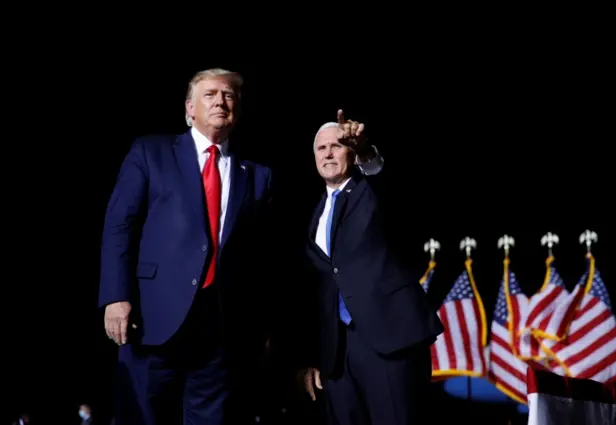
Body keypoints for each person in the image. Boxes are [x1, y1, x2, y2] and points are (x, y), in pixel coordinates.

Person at [99, 68, 275, 425]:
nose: (220, 102)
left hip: (221, 330)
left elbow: (261, 259)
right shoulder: (151, 151)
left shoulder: (257, 175)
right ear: (189, 108)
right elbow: (120, 225)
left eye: (228, 96)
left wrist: (261, 325)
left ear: (238, 111)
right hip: (152, 318)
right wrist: (116, 296)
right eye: (210, 95)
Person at [298, 110, 445, 425]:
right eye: (321, 149)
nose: (328, 153)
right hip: (336, 353)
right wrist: (313, 356)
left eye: (336, 146)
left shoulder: (373, 191)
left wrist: (366, 150)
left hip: (388, 338)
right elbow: (316, 288)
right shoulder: (313, 214)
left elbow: (383, 175)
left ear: (351, 152)